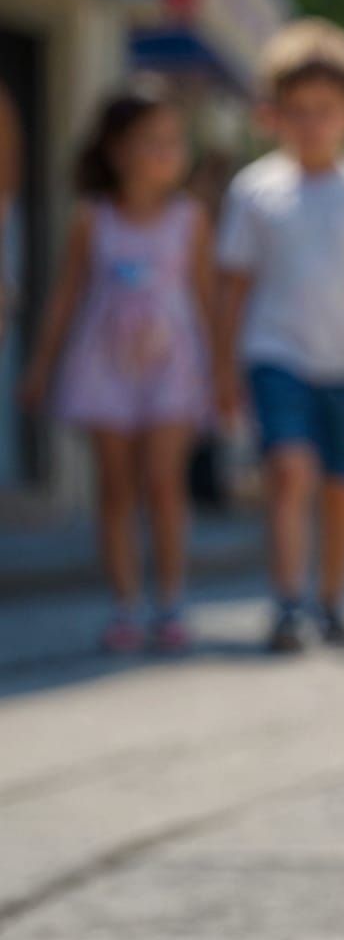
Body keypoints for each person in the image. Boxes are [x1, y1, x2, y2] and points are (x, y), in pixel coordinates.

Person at [215, 18, 344, 653]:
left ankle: (332, 600)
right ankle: (285, 602)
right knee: (289, 469)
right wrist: (224, 370)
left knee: (341, 486)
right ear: (273, 114)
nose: (311, 124)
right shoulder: (254, 192)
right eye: (296, 111)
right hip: (277, 354)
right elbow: (234, 287)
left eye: (324, 110)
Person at [19, 79, 212, 652]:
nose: (164, 152)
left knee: (163, 484)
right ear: (115, 148)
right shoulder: (92, 218)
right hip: (104, 366)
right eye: (149, 140)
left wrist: (223, 374)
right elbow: (66, 297)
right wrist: (40, 367)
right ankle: (125, 605)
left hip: (171, 367)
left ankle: (171, 602)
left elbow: (206, 301)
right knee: (116, 489)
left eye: (173, 141)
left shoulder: (190, 219)